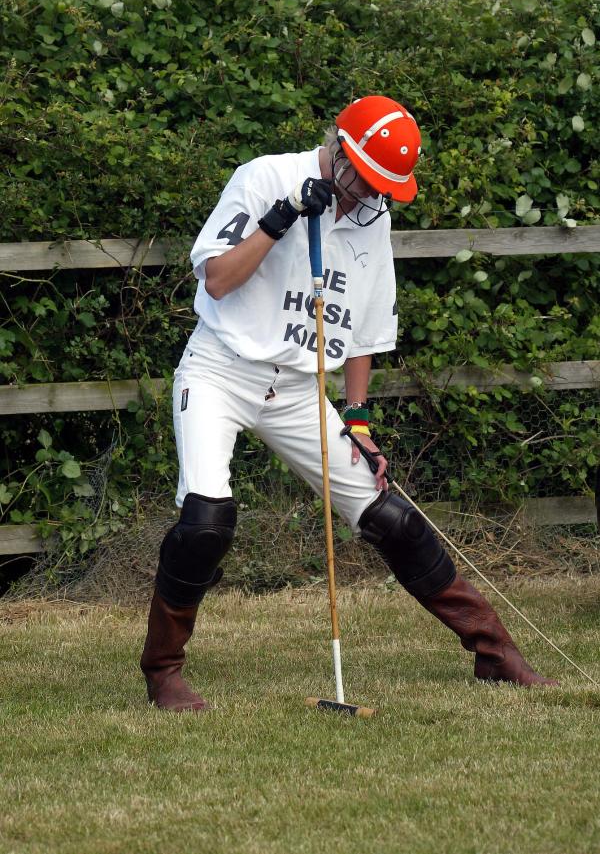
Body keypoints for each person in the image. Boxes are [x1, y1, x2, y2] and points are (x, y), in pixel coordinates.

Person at [140, 95, 556, 711]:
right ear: (338, 148)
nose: (369, 195)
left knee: (388, 513)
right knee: (206, 520)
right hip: (220, 370)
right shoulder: (265, 177)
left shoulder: (373, 214)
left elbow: (362, 328)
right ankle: (163, 671)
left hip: (300, 389)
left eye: (383, 186)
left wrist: (358, 420)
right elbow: (219, 279)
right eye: (363, 178)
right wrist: (279, 220)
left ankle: (494, 652)